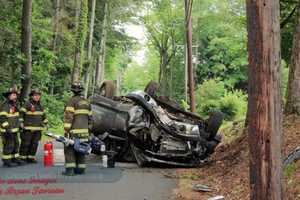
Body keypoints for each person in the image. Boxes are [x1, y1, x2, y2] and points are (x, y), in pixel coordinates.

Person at [63, 82, 93, 176]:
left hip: (74, 132)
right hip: (84, 132)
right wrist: (89, 131)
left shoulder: (71, 101)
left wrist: (66, 130)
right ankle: (80, 170)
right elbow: (91, 119)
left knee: (69, 149)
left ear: (72, 90)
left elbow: (69, 117)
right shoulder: (87, 102)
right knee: (81, 150)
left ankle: (70, 171)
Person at [19, 89, 48, 163]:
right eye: (35, 95)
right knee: (26, 143)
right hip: (28, 129)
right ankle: (22, 158)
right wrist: (21, 123)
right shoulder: (27, 104)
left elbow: (44, 117)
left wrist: (46, 124)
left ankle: (31, 157)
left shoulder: (41, 106)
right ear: (31, 96)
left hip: (38, 129)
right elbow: (21, 113)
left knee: (35, 144)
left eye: (38, 95)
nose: (37, 97)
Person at [0, 86, 25, 167]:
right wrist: (7, 128)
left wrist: (19, 126)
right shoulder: (5, 105)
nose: (15, 96)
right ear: (8, 96)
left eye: (15, 95)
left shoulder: (14, 105)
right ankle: (6, 160)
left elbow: (17, 116)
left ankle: (15, 158)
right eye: (13, 95)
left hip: (14, 130)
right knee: (9, 145)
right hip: (7, 130)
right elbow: (2, 118)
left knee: (16, 144)